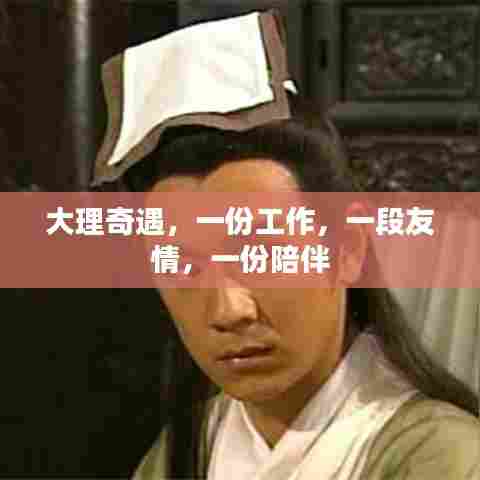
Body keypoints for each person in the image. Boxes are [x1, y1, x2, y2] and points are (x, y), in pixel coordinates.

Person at [93, 10, 480, 480]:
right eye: (185, 267)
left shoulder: (441, 455)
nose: (229, 310)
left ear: (348, 249)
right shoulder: (187, 447)